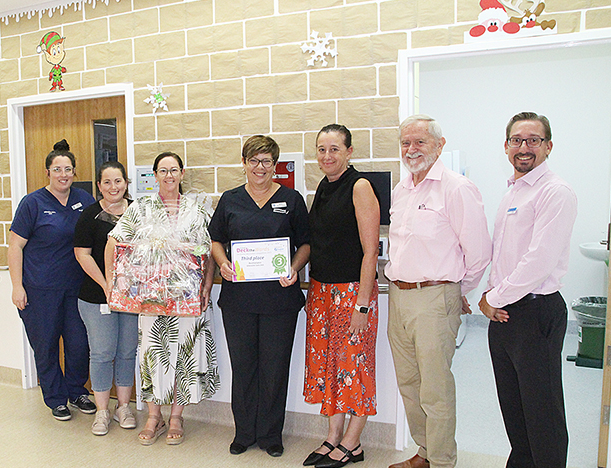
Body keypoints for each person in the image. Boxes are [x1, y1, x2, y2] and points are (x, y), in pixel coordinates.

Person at [385, 115, 491, 468]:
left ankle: (443, 461)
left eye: (420, 142)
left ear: (439, 146)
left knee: (435, 388)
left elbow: (478, 251)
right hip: (397, 297)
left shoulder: (456, 188)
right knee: (409, 384)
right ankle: (424, 452)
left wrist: (459, 289)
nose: (411, 150)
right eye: (405, 143)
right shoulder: (401, 191)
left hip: (434, 297)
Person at [478, 112, 576, 468]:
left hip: (536, 313)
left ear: (548, 146)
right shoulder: (513, 192)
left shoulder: (555, 192)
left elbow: (539, 261)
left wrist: (492, 298)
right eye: (517, 140)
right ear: (506, 147)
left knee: (543, 413)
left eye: (534, 140)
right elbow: (503, 255)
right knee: (515, 410)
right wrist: (491, 299)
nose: (524, 147)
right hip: (505, 315)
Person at [106, 152, 218, 446]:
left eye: (174, 170)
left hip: (187, 300)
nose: (169, 176)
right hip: (149, 299)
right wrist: (112, 284)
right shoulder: (140, 209)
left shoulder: (198, 210)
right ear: (154, 175)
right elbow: (115, 242)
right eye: (163, 170)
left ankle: (177, 416)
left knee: (184, 355)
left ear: (182, 173)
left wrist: (206, 287)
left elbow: (210, 253)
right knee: (152, 355)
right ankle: (154, 416)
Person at [208, 135, 310, 458]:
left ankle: (270, 435)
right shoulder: (230, 200)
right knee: (244, 366)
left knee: (275, 367)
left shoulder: (292, 200)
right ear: (244, 164)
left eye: (266, 161)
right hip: (238, 300)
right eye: (253, 160)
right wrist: (223, 264)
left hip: (280, 301)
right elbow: (216, 241)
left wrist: (294, 267)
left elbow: (306, 245)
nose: (260, 167)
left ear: (275, 165)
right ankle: (244, 432)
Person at [303, 125, 381, 468]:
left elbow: (370, 251)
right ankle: (333, 436)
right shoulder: (323, 186)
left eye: (334, 149)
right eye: (321, 150)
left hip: (352, 293)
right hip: (322, 292)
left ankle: (353, 441)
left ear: (349, 151)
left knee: (354, 366)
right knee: (329, 368)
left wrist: (362, 304)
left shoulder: (360, 186)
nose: (327, 156)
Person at [8, 139, 97, 421]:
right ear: (47, 172)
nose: (63, 175)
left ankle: (76, 390)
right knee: (45, 346)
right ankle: (56, 398)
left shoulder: (85, 200)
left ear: (74, 172)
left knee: (78, 343)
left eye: (68, 169)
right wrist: (17, 286)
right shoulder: (32, 203)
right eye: (57, 169)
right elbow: (15, 247)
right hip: (39, 290)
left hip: (76, 288)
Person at [73, 161, 138, 436]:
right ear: (99, 186)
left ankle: (123, 407)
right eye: (107, 182)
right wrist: (107, 285)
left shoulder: (138, 213)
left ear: (126, 183)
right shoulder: (89, 215)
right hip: (96, 297)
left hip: (132, 298)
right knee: (102, 354)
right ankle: (101, 411)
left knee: (126, 352)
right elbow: (82, 254)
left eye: (118, 181)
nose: (114, 187)